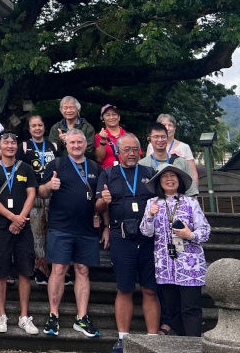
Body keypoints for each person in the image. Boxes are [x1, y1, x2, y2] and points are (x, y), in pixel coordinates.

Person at [95, 132, 161, 352]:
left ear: (140, 151)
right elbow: (98, 207)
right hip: (121, 235)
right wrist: (103, 203)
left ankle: (152, 340)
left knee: (150, 289)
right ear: (118, 152)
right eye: (127, 150)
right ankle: (123, 338)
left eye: (135, 150)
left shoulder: (149, 172)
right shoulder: (108, 173)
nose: (131, 154)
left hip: (149, 236)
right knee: (124, 288)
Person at [38, 128, 103, 338]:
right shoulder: (56, 164)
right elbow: (41, 192)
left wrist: (107, 226)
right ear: (66, 145)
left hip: (86, 229)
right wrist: (50, 185)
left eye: (80, 142)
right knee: (58, 269)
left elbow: (102, 201)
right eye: (72, 142)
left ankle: (81, 318)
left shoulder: (95, 167)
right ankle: (53, 315)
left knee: (83, 270)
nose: (76, 146)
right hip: (61, 226)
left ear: (85, 145)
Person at [140, 164, 211, 337]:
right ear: (159, 182)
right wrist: (150, 215)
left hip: (190, 266)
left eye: (173, 176)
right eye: (165, 177)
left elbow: (206, 231)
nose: (169, 179)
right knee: (172, 310)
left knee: (190, 308)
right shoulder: (152, 203)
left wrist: (190, 234)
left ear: (179, 181)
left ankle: (193, 345)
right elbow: (145, 231)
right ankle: (182, 343)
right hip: (165, 265)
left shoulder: (191, 202)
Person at [0, 129, 40, 335]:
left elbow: (32, 194)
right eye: (5, 142)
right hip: (1, 226)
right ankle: (2, 315)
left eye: (13, 142)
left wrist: (20, 219)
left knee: (25, 270)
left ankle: (24, 316)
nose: (9, 145)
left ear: (17, 146)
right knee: (1, 270)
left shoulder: (25, 168)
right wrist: (11, 217)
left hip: (23, 226)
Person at [16, 114, 57, 284]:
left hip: (53, 194)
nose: (37, 128)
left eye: (40, 125)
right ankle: (40, 270)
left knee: (54, 232)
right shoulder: (24, 146)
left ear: (44, 127)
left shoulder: (53, 145)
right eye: (34, 126)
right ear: (29, 128)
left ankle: (55, 267)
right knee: (37, 234)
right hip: (33, 194)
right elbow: (18, 170)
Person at [139, 123, 199, 196]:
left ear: (167, 138)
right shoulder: (142, 164)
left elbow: (191, 191)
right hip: (153, 206)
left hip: (179, 205)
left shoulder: (181, 162)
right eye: (156, 137)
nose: (160, 140)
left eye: (163, 136)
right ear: (149, 139)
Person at [156, 113, 200, 189]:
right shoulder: (152, 146)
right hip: (158, 189)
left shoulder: (184, 147)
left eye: (170, 125)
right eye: (163, 125)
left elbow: (193, 173)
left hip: (181, 189)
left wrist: (194, 193)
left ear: (174, 128)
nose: (167, 128)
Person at [95, 104, 138, 169]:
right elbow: (99, 159)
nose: (111, 117)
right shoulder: (99, 136)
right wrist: (103, 140)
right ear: (102, 118)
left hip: (128, 171)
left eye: (114, 114)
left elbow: (137, 157)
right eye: (107, 115)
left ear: (119, 117)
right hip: (108, 173)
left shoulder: (130, 136)